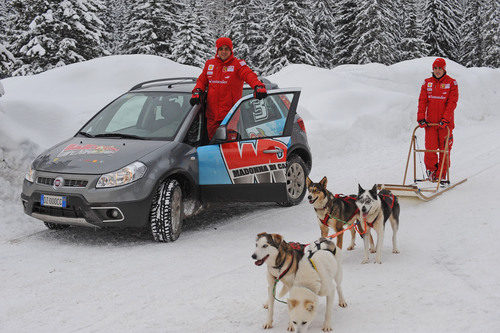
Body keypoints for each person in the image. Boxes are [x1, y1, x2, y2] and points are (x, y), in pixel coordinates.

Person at [190, 37, 267, 139]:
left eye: (227, 49)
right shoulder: (210, 64)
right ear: (217, 50)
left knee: (228, 148)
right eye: (221, 49)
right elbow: (202, 81)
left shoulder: (238, 65)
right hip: (211, 116)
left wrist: (258, 86)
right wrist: (197, 91)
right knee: (213, 145)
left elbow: (249, 75)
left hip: (230, 116)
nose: (224, 52)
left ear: (231, 50)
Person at [417, 57, 459, 182]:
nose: (437, 71)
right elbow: (422, 101)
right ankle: (431, 173)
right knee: (430, 150)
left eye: (440, 68)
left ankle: (441, 175)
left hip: (445, 124)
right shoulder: (427, 83)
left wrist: (445, 119)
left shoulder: (452, 83)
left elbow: (452, 102)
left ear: (444, 69)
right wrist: (421, 118)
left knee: (444, 150)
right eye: (435, 68)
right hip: (430, 123)